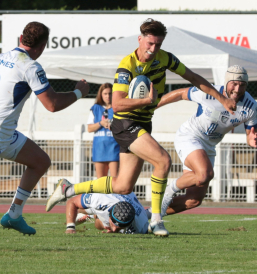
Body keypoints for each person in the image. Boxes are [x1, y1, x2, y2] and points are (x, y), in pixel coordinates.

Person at [46, 18, 236, 237]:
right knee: (163, 160)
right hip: (126, 122)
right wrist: (147, 101)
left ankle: (68, 189)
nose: (153, 49)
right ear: (140, 40)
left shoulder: (165, 58)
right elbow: (117, 103)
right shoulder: (127, 66)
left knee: (123, 186)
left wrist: (221, 98)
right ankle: (156, 220)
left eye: (158, 44)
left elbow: (192, 77)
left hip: (143, 122)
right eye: (150, 44)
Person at [0, 21, 89, 235]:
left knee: (40, 161)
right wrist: (78, 93)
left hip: (1, 133)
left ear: (21, 38)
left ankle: (14, 214)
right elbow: (52, 104)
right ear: (43, 45)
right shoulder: (30, 66)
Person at [158, 65, 257, 216]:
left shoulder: (251, 106)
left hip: (209, 147)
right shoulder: (209, 92)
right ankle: (167, 192)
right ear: (226, 82)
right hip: (190, 136)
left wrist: (253, 140)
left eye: (242, 85)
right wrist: (152, 106)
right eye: (234, 84)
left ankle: (148, 215)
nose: (237, 89)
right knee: (205, 174)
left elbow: (251, 136)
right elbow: (181, 93)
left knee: (193, 200)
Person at [64, 192, 149, 234]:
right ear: (109, 214)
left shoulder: (140, 225)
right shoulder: (101, 199)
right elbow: (72, 202)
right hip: (112, 193)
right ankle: (68, 188)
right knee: (79, 208)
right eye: (114, 224)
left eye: (120, 227)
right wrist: (70, 228)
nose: (115, 229)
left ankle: (93, 214)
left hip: (127, 200)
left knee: (100, 225)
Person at [87, 83, 120, 178]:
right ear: (101, 94)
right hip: (99, 149)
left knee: (115, 180)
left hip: (114, 148)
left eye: (110, 93)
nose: (108, 96)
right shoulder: (95, 108)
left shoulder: (118, 109)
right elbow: (89, 128)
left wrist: (113, 125)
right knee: (101, 182)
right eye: (105, 93)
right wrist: (100, 123)